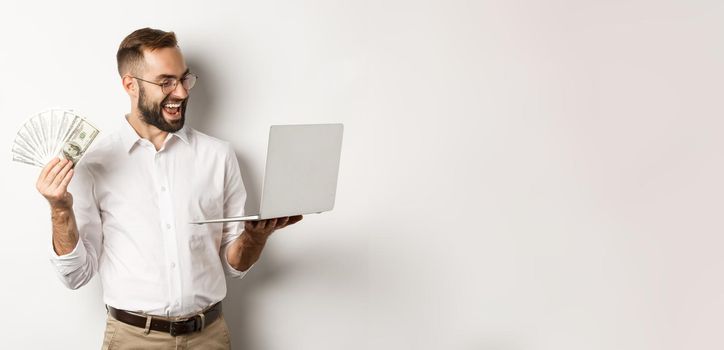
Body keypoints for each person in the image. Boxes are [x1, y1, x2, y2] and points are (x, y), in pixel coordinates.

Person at [35, 27, 302, 349]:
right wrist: (60, 210)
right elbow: (75, 276)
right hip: (132, 340)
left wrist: (255, 237)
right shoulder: (93, 162)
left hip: (210, 336)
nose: (182, 93)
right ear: (130, 85)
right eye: (166, 82)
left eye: (184, 79)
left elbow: (235, 266)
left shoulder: (219, 156)